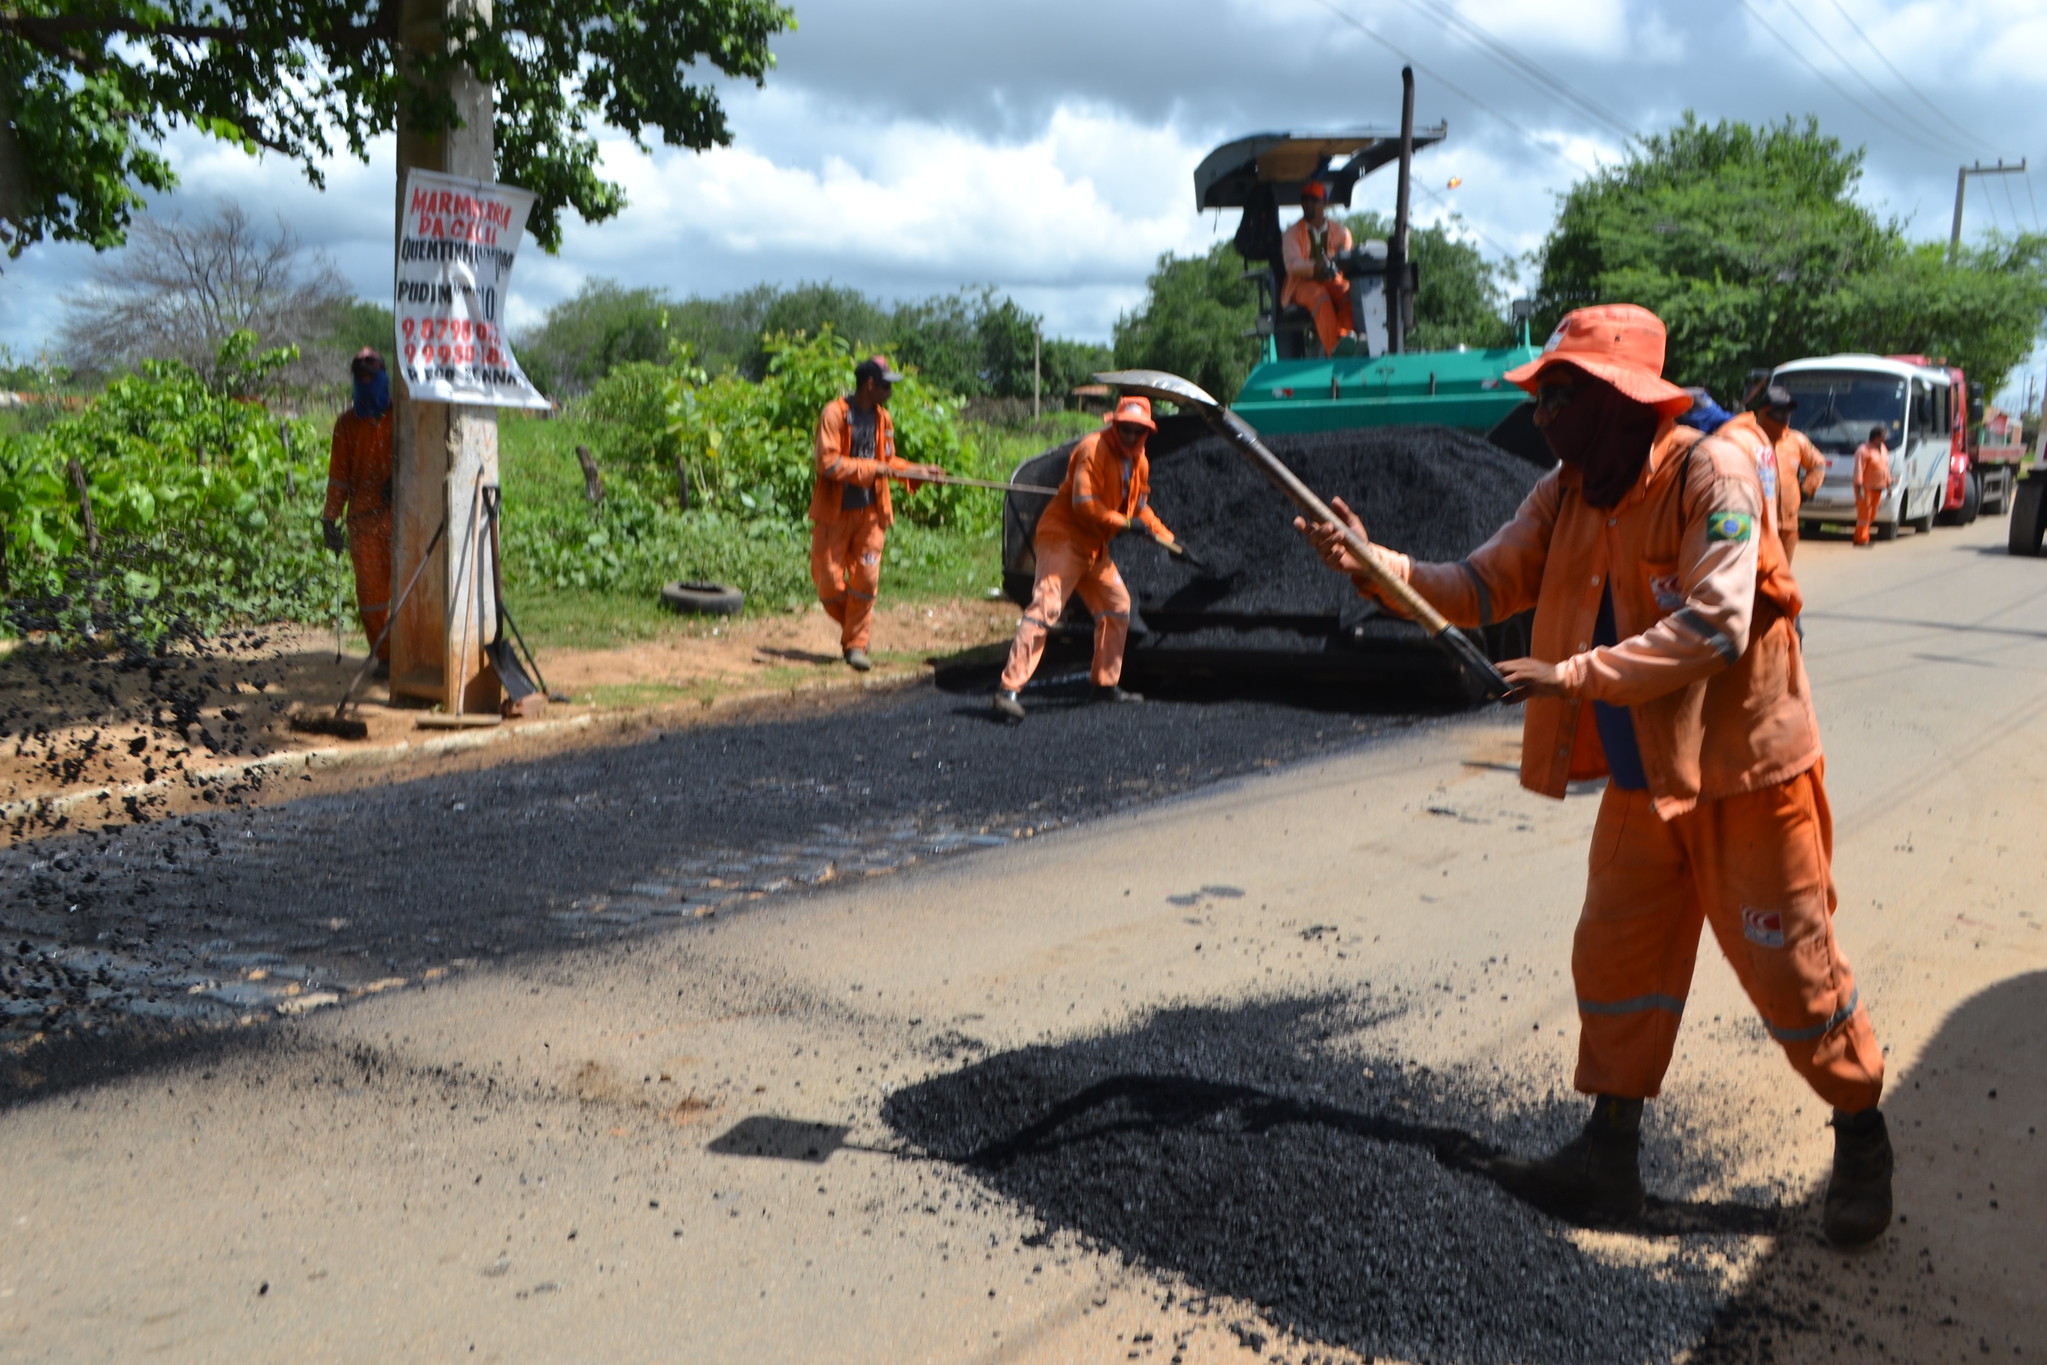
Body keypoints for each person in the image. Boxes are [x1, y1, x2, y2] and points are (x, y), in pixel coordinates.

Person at [1297, 303, 1891, 1247]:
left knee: (1792, 973)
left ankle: (1861, 1136)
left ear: (1620, 401)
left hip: (1747, 776)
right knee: (1614, 959)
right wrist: (1376, 565)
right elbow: (1480, 583)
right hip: (1645, 775)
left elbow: (1715, 625)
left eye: (1557, 396)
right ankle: (1608, 1155)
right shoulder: (1565, 491)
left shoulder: (1715, 470)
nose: (1541, 419)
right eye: (1541, 399)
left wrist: (1572, 672)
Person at [992, 395, 1179, 720]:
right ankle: (1008, 690)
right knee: (1046, 606)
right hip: (1064, 536)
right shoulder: (1091, 449)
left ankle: (1104, 684)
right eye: (1126, 429)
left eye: (1138, 431)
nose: (1131, 437)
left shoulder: (1140, 462)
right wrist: (1125, 524)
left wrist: (1168, 538)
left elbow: (1140, 509)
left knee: (1117, 606)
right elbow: (1083, 504)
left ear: (1146, 432)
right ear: (1115, 425)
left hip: (1094, 545)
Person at [808, 355, 944, 671]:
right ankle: (855, 630)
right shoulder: (834, 414)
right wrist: (874, 468)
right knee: (827, 581)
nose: (890, 393)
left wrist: (918, 470)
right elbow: (827, 463)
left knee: (866, 580)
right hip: (835, 514)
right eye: (886, 386)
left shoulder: (884, 419)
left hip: (872, 513)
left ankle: (856, 645)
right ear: (870, 384)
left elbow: (889, 461)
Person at [323, 348, 395, 678]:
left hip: (402, 516)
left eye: (371, 376)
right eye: (360, 377)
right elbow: (338, 476)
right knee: (371, 596)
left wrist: (400, 478)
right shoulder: (346, 425)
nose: (366, 382)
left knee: (410, 586)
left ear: (382, 377)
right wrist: (329, 518)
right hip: (364, 522)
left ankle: (413, 652)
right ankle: (386, 655)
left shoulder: (402, 416)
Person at [1754, 385, 1827, 563]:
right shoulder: (1752, 439)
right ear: (1765, 411)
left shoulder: (1797, 440)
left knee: (1783, 575)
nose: (1785, 415)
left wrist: (1807, 489)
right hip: (1759, 525)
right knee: (1758, 575)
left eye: (1788, 410)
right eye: (1780, 410)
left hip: (1789, 523)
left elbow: (1818, 464)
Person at [1282, 181, 1355, 358]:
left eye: (1314, 200)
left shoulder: (1341, 232)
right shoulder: (1292, 234)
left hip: (1332, 280)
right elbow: (1292, 266)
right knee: (1320, 297)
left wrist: (1334, 260)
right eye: (1305, 201)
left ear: (1325, 203)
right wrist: (1316, 266)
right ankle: (1334, 351)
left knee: (1349, 293)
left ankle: (1346, 337)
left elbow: (1347, 254)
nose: (1308, 205)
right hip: (1301, 284)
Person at [1851, 426, 1892, 547]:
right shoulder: (1863, 450)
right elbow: (1859, 470)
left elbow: (1886, 468)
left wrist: (1889, 486)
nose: (1885, 438)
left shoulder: (1883, 449)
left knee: (1872, 514)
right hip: (1865, 488)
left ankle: (1858, 537)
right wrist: (1859, 488)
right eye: (1883, 436)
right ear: (1877, 437)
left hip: (1878, 487)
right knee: (1864, 515)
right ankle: (1863, 539)